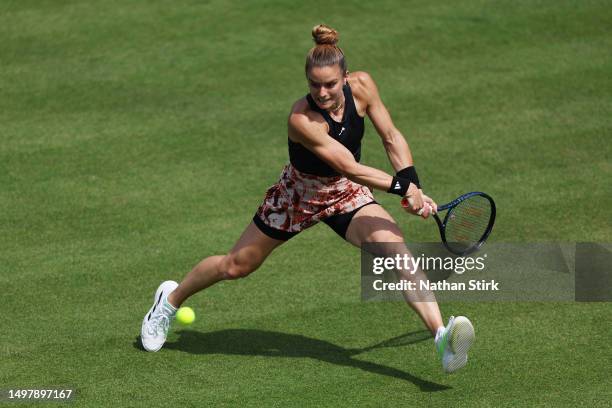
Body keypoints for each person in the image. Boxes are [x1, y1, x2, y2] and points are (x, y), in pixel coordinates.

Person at [141, 24, 474, 373]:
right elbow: (349, 166)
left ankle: (441, 339)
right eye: (314, 85)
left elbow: (391, 137)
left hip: (345, 194)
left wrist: (412, 182)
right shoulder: (302, 120)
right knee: (236, 265)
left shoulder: (363, 86)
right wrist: (402, 189)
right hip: (297, 197)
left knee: (395, 250)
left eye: (330, 84)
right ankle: (169, 301)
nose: (322, 92)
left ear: (345, 77)